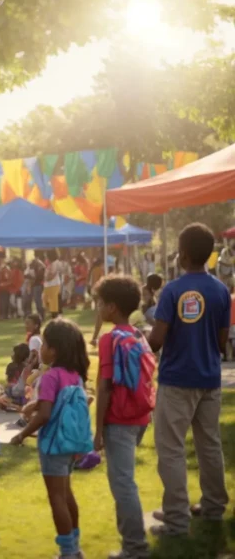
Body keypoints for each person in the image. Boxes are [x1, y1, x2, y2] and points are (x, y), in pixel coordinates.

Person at [147, 223, 231, 536]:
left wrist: (141, 342)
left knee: (170, 449)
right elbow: (222, 341)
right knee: (209, 445)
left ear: (181, 255)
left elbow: (156, 341)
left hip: (177, 379)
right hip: (209, 378)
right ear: (209, 254)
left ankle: (176, 519)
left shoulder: (172, 290)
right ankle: (212, 507)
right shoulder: (222, 290)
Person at [10, 318, 91, 559]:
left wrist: (22, 434)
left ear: (54, 349)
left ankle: (68, 551)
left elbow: (45, 415)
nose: (41, 349)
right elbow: (55, 403)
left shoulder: (51, 376)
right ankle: (75, 545)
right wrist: (34, 404)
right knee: (67, 494)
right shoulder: (74, 374)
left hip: (53, 445)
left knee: (56, 497)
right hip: (71, 443)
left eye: (44, 344)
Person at [90, 275, 155, 559]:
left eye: (100, 303)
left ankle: (135, 546)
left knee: (123, 483)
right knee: (124, 480)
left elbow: (105, 386)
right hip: (140, 416)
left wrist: (98, 429)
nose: (98, 308)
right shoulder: (139, 334)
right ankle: (131, 541)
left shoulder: (109, 339)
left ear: (112, 307)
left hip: (119, 419)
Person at [43, 250, 64, 319]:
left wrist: (46, 278)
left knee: (53, 301)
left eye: (46, 255)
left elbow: (53, 274)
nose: (45, 256)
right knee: (46, 299)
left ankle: (54, 315)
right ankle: (53, 313)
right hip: (49, 285)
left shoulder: (56, 263)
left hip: (53, 285)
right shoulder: (50, 263)